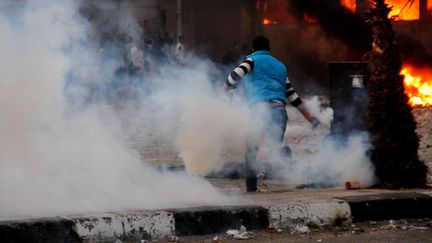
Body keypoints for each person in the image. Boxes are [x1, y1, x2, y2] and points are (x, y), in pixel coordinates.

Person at [222, 36, 320, 192]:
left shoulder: (251, 60)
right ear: (269, 49)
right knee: (274, 149)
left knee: (251, 150)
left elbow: (235, 74)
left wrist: (224, 89)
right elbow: (292, 96)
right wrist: (310, 117)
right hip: (280, 111)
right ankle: (284, 154)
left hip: (260, 111)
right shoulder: (280, 66)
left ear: (253, 49)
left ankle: (252, 188)